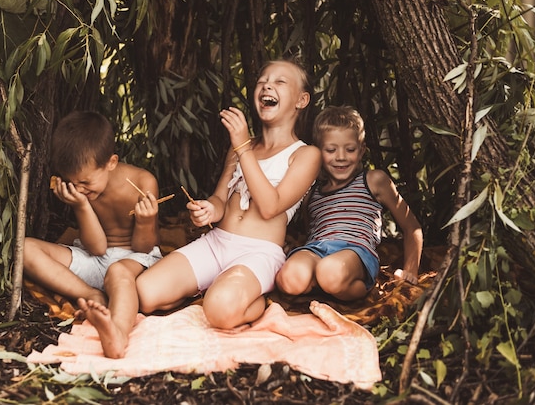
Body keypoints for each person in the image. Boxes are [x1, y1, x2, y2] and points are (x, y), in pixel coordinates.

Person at [115, 59, 319, 338]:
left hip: (258, 252)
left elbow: (271, 206)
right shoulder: (238, 150)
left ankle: (250, 298)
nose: (267, 85)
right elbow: (221, 198)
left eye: (280, 81)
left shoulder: (305, 154)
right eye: (262, 80)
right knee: (146, 293)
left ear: (301, 99)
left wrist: (243, 145)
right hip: (216, 244)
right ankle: (213, 286)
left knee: (221, 311)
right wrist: (210, 209)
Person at [23, 111, 162, 357]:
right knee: (24, 248)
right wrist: (82, 206)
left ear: (111, 162)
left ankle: (117, 332)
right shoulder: (82, 192)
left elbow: (144, 247)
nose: (78, 189)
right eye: (72, 182)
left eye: (85, 183)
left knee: (117, 272)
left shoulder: (143, 181)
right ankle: (91, 294)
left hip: (133, 261)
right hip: (94, 256)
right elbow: (96, 248)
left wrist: (146, 220)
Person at [275, 106, 423, 302]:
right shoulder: (311, 192)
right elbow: (312, 230)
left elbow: (412, 227)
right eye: (331, 150)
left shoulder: (373, 180)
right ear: (318, 153)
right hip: (317, 249)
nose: (341, 157)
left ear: (361, 151)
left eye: (350, 149)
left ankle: (360, 289)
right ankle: (326, 284)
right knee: (289, 278)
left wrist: (410, 271)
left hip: (355, 251)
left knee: (330, 272)